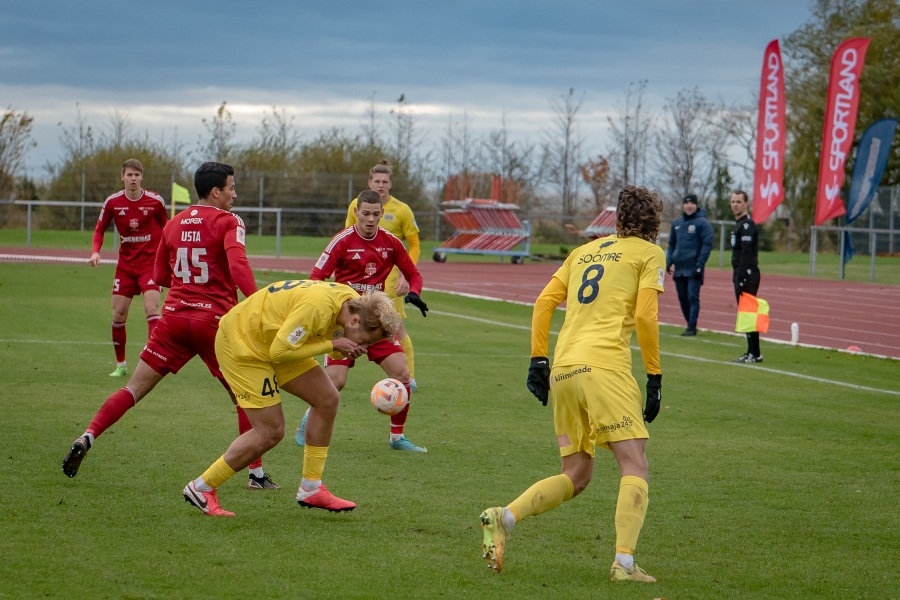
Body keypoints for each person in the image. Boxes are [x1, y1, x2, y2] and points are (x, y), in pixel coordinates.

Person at [479, 185, 665, 583]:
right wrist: (654, 375)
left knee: (577, 473)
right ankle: (625, 565)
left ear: (617, 220)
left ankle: (504, 517)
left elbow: (544, 302)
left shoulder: (583, 251)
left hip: (563, 369)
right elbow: (647, 317)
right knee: (635, 464)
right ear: (654, 225)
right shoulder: (650, 253)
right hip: (606, 368)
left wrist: (538, 360)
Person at [63, 162, 280, 489]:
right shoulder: (229, 221)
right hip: (214, 324)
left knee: (132, 389)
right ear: (216, 191)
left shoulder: (174, 224)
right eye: (232, 188)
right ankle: (256, 475)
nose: (236, 194)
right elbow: (238, 266)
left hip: (174, 320)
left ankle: (88, 435)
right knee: (243, 397)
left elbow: (161, 276)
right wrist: (261, 305)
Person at [182, 283, 401, 517]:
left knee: (327, 399)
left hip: (275, 341)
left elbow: (331, 341)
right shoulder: (317, 307)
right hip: (243, 344)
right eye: (365, 341)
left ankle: (311, 488)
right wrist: (332, 345)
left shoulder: (348, 303)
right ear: (356, 321)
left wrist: (341, 349)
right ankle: (201, 488)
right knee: (270, 431)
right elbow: (279, 352)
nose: (364, 347)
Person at [295, 190, 430, 452]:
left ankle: (397, 439)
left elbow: (413, 274)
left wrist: (414, 292)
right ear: (356, 212)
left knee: (402, 374)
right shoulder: (342, 241)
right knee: (335, 381)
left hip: (377, 323)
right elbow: (315, 278)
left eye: (375, 214)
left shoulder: (390, 242)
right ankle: (305, 423)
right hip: (344, 323)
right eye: (365, 213)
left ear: (382, 213)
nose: (370, 219)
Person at [345, 159, 421, 391]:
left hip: (388, 283)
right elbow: (348, 234)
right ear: (370, 182)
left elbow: (414, 245)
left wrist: (405, 277)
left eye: (384, 181)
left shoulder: (402, 210)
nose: (380, 185)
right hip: (357, 283)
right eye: (376, 181)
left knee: (395, 327)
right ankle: (338, 368)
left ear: (390, 184)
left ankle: (409, 377)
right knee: (351, 324)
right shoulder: (355, 205)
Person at [90, 159, 168, 377]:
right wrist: (96, 251)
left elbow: (167, 229)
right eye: (129, 175)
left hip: (150, 266)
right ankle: (121, 365)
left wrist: (168, 256)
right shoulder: (113, 202)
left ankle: (151, 363)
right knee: (118, 314)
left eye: (137, 175)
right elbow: (99, 230)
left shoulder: (155, 201)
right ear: (122, 177)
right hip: (125, 267)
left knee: (152, 309)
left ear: (142, 177)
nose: (133, 179)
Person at [665, 194, 713, 336]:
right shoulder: (677, 223)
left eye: (692, 203)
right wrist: (669, 261)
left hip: (694, 267)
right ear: (683, 205)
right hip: (679, 268)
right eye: (687, 203)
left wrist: (700, 264)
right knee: (682, 297)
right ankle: (688, 323)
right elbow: (672, 243)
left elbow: (707, 245)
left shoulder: (702, 223)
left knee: (693, 296)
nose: (689, 205)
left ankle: (692, 326)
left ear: (696, 205)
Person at [730, 190, 762, 363]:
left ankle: (755, 353)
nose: (735, 204)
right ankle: (751, 351)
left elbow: (746, 253)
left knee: (749, 313)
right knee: (745, 313)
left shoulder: (748, 225)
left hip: (748, 273)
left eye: (738, 201)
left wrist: (741, 275)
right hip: (740, 272)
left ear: (746, 203)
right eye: (733, 201)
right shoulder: (738, 225)